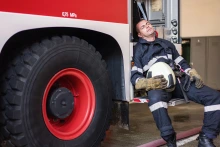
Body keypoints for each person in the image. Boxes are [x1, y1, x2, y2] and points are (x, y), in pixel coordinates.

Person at [131, 19, 220, 147]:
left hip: (179, 81)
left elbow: (181, 63)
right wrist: (146, 83)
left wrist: (192, 73)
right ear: (140, 34)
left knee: (214, 97)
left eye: (148, 24)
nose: (148, 26)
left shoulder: (167, 44)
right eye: (143, 27)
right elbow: (135, 74)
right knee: (156, 101)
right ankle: (170, 138)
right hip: (158, 85)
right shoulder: (138, 50)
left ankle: (206, 138)